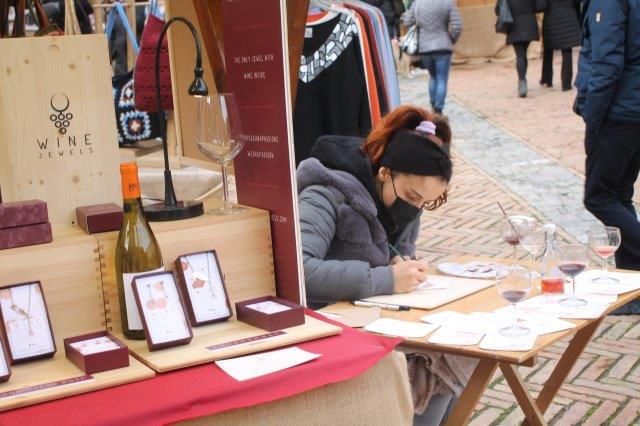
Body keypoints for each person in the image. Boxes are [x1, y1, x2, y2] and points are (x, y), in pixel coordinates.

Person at [297, 106, 475, 424]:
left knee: (458, 351)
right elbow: (302, 271)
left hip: (377, 321)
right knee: (432, 367)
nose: (416, 208)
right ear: (384, 173)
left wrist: (399, 259)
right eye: (412, 196)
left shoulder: (398, 200)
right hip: (327, 329)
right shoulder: (324, 194)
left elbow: (385, 245)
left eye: (426, 203)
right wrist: (387, 278)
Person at [575, 0, 640, 314]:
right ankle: (633, 289)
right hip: (630, 110)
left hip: (617, 114)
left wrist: (593, 115)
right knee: (619, 196)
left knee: (599, 197)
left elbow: (607, 62)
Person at [402, 0, 463, 114]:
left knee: (433, 77)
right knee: (441, 79)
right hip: (443, 45)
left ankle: (433, 104)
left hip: (425, 47)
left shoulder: (418, 3)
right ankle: (438, 109)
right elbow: (458, 26)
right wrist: (451, 39)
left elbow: (407, 21)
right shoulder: (447, 3)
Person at [498, 0, 547, 97]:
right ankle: (522, 80)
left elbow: (498, 9)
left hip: (514, 26)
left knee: (520, 55)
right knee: (523, 54)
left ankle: (522, 81)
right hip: (529, 25)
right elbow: (540, 7)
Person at [540, 0, 582, 90]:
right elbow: (577, 2)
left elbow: (541, 6)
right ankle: (566, 84)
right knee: (567, 51)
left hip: (551, 19)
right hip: (568, 18)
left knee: (548, 50)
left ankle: (547, 79)